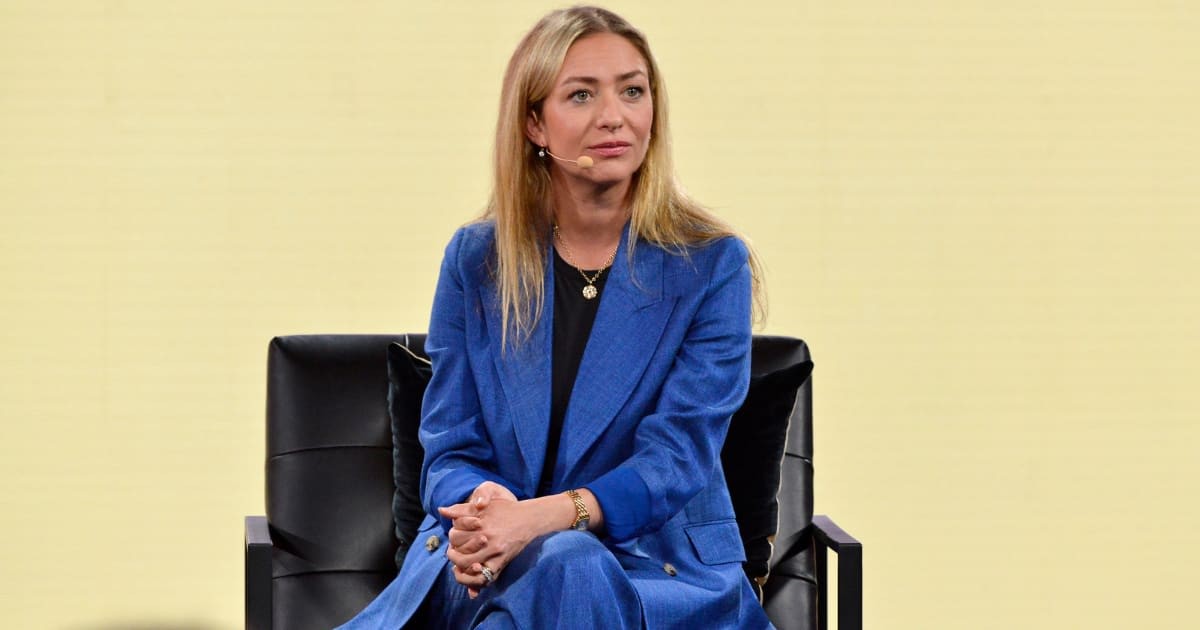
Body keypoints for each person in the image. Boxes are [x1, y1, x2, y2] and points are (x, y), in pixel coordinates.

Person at [339, 6, 769, 628]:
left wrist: (538, 520)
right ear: (536, 123)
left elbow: (675, 459)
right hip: (489, 561)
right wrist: (484, 507)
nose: (614, 116)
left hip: (651, 567)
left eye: (632, 90)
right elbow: (451, 443)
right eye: (580, 95)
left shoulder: (710, 265)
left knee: (568, 565)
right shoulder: (476, 260)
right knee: (549, 577)